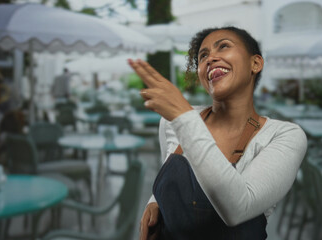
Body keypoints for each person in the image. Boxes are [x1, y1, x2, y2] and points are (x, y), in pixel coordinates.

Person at [128, 26, 307, 240]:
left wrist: (183, 117)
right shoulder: (171, 123)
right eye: (203, 56)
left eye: (223, 46)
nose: (210, 58)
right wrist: (154, 202)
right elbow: (174, 180)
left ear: (255, 63)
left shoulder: (283, 135)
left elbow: (239, 208)